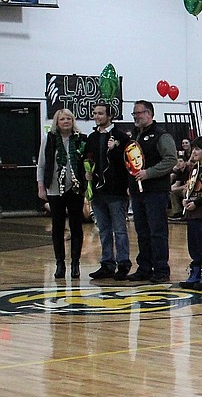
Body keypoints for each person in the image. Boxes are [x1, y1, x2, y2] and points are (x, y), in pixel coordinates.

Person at [124, 100, 178, 283]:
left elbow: (171, 159)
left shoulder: (162, 136)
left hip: (155, 191)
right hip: (138, 192)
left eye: (138, 113)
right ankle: (144, 267)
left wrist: (149, 173)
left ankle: (161, 269)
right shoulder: (136, 137)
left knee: (157, 232)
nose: (136, 117)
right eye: (134, 114)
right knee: (142, 231)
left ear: (149, 113)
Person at [85, 103, 133, 280]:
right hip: (98, 191)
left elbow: (129, 161)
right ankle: (107, 263)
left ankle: (123, 263)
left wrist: (117, 149)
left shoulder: (121, 137)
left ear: (109, 116)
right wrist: (87, 173)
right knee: (103, 229)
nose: (97, 116)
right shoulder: (92, 137)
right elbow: (88, 159)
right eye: (95, 113)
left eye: (100, 113)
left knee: (119, 230)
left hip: (116, 190)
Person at [37, 109, 87, 279]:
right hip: (54, 188)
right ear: (57, 122)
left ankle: (75, 263)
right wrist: (41, 186)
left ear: (73, 121)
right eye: (62, 119)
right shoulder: (49, 139)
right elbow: (42, 165)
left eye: (68, 118)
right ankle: (60, 263)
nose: (65, 121)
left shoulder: (81, 139)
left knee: (76, 226)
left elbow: (87, 163)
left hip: (75, 188)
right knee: (57, 226)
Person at [178, 146, 202, 291]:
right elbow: (190, 188)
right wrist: (185, 199)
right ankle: (196, 271)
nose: (194, 152)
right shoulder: (193, 169)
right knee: (193, 244)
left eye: (198, 149)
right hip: (191, 213)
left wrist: (197, 203)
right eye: (193, 149)